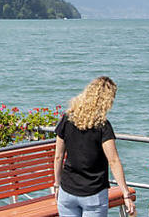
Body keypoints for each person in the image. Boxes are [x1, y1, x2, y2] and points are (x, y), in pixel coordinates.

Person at [54, 76, 136, 217]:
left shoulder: (67, 119)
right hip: (93, 194)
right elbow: (113, 161)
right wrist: (126, 194)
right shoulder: (103, 126)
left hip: (67, 191)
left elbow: (58, 156)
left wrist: (57, 183)